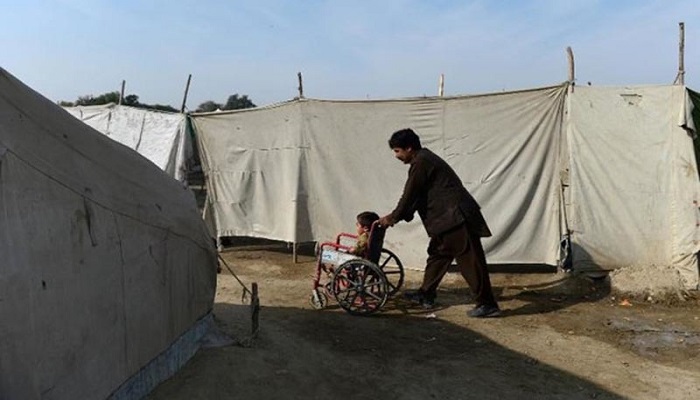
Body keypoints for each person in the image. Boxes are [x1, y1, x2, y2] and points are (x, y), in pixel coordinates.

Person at [377, 128, 501, 318]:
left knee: (471, 261)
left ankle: (488, 304)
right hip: (447, 219)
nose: (396, 156)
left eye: (397, 151)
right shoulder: (423, 160)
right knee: (438, 255)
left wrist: (392, 218)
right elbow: (417, 197)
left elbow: (410, 195)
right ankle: (426, 293)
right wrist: (399, 216)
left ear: (409, 148)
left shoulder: (422, 162)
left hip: (455, 218)